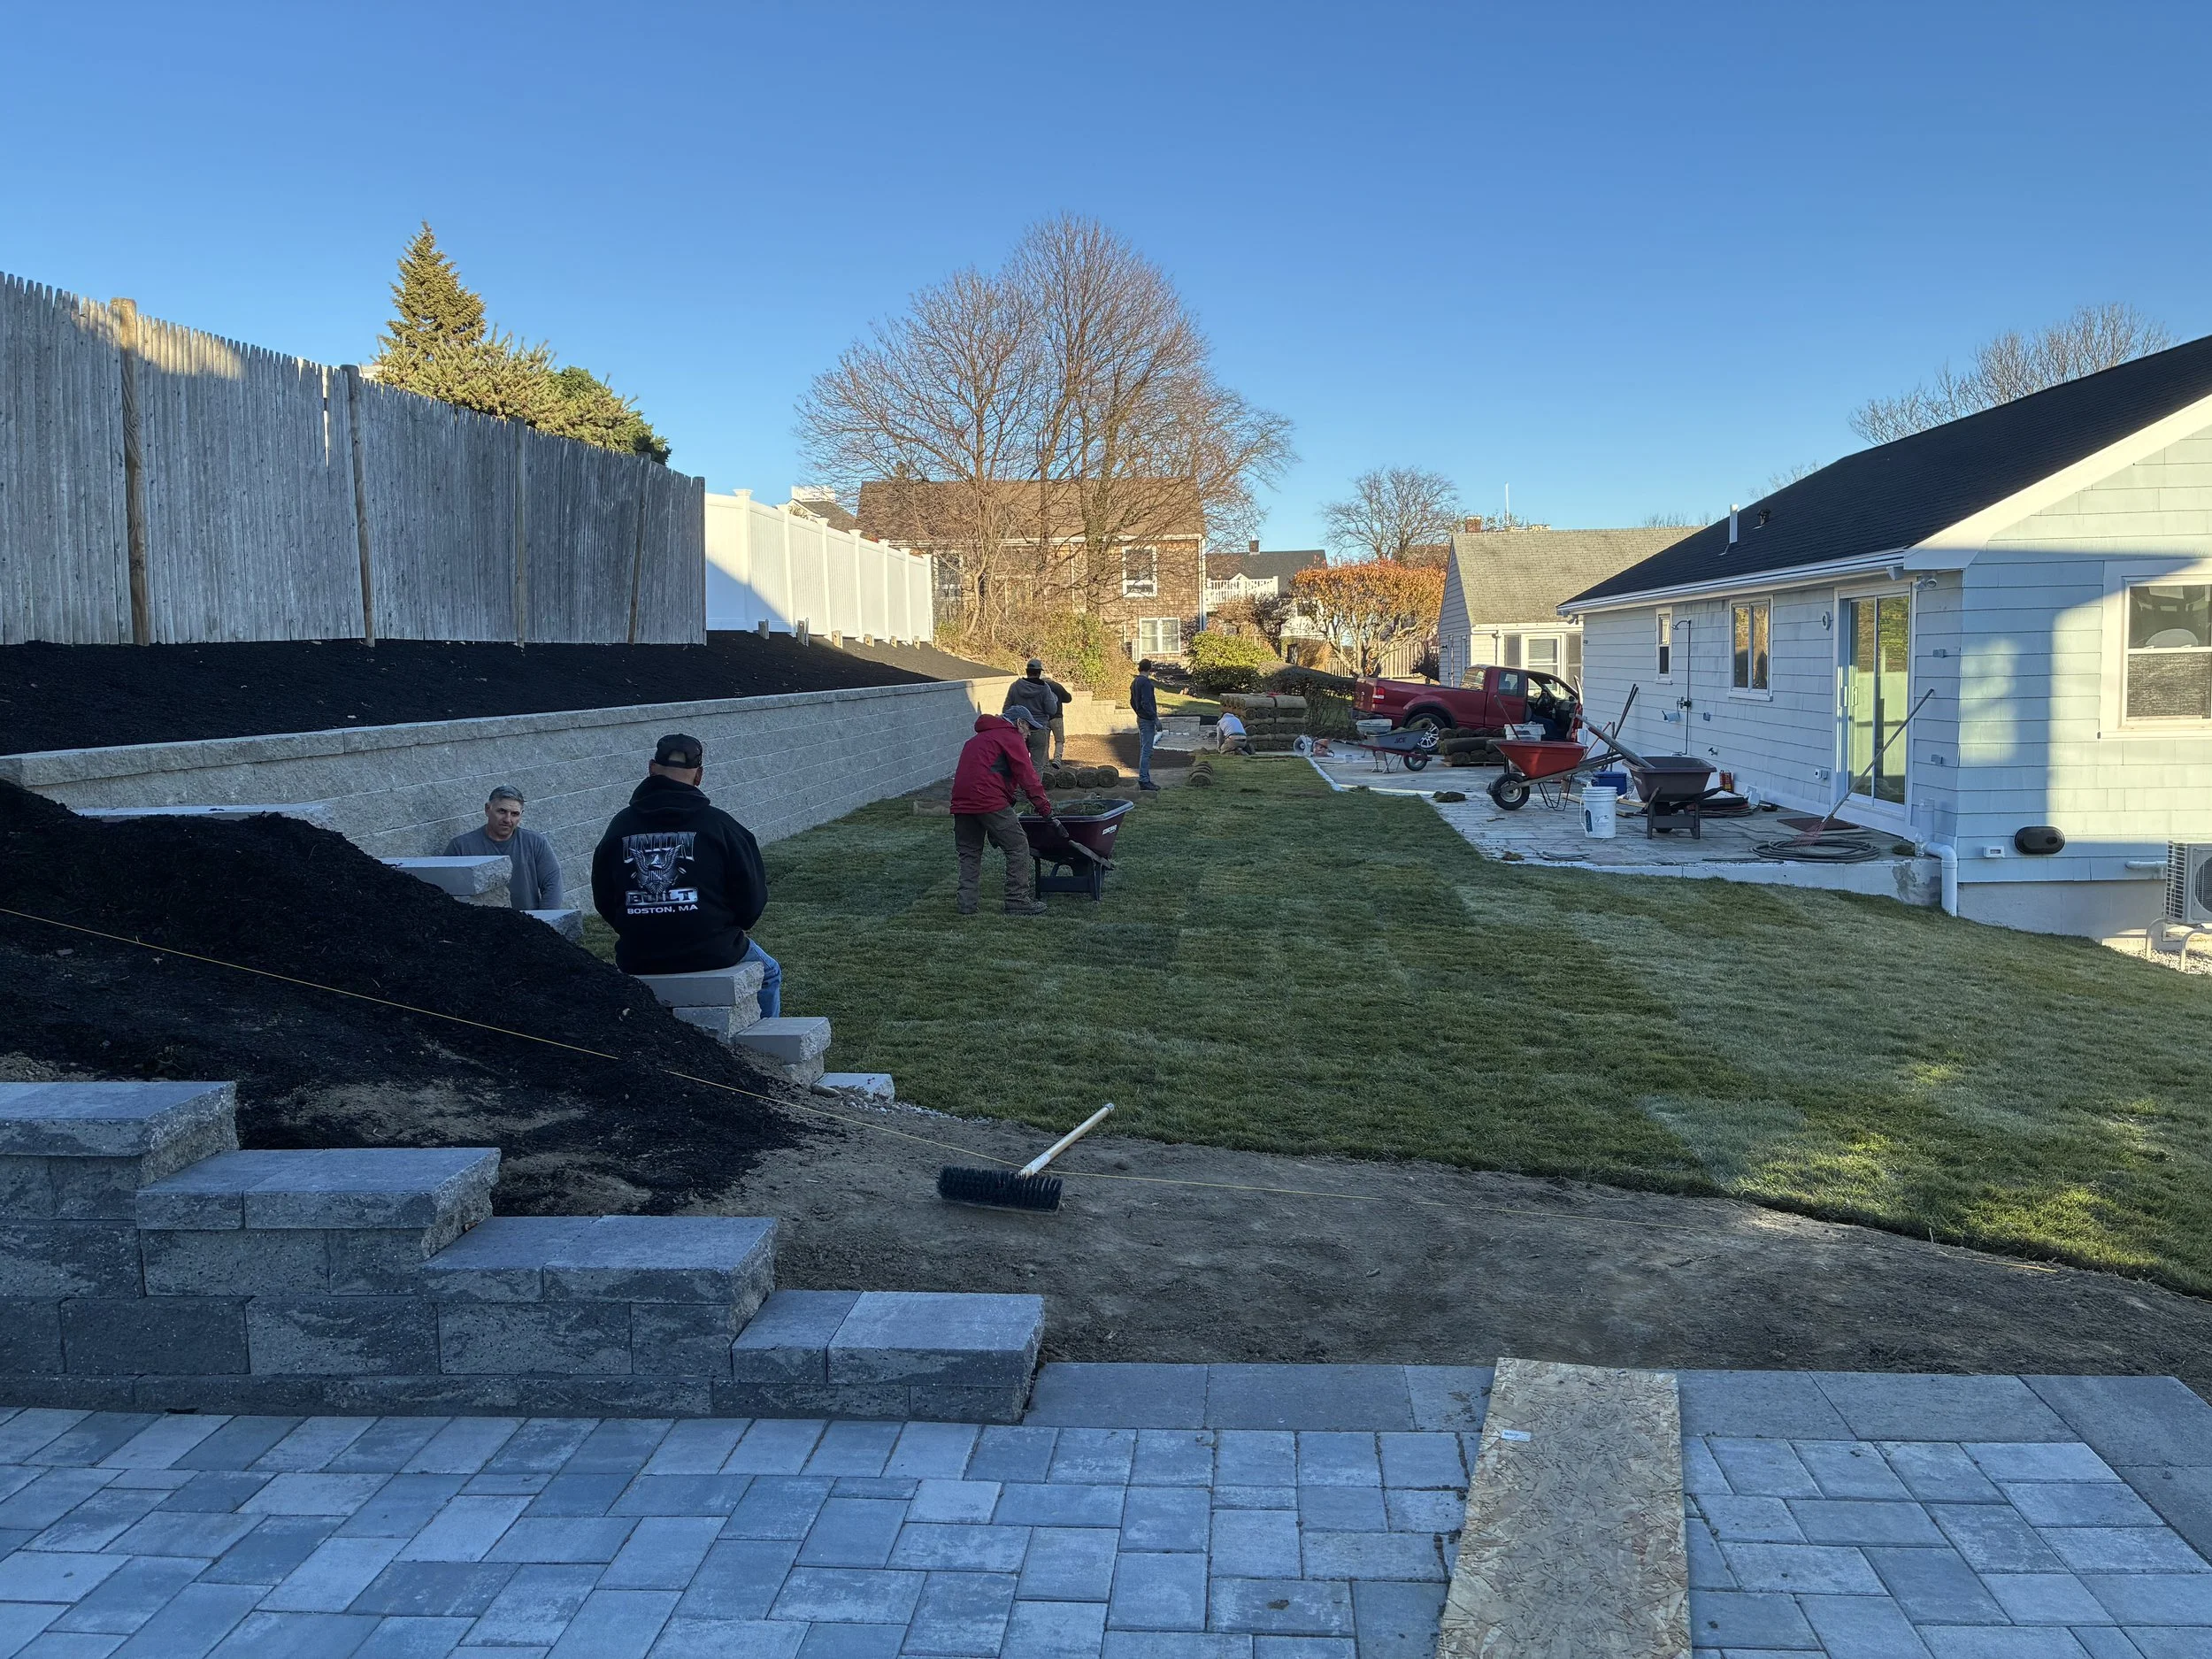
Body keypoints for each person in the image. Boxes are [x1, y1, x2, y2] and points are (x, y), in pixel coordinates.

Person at [589, 733, 781, 1016]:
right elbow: (751, 899)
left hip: (638, 955)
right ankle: (766, 1058)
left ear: (652, 768)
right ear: (699, 775)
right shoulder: (720, 825)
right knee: (770, 975)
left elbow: (604, 898)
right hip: (714, 952)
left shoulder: (619, 827)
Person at [951, 709, 1054, 917]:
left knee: (969, 852)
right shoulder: (1010, 737)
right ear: (1018, 723)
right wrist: (1044, 808)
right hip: (988, 800)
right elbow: (1028, 776)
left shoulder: (975, 741)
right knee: (1018, 846)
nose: (1029, 734)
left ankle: (966, 905)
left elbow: (988, 773)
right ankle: (1017, 900)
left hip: (961, 801)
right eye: (1028, 728)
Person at [443, 786, 563, 910]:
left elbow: (553, 885)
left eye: (515, 814)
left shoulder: (536, 843)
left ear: (521, 815)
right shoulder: (461, 846)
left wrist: (545, 922)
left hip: (528, 924)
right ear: (487, 809)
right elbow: (444, 891)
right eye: (502, 811)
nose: (508, 819)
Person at [1002, 659, 1058, 776]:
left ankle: (1017, 791)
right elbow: (1052, 710)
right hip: (1039, 729)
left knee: (1017, 762)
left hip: (1019, 730)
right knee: (1037, 765)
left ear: (1027, 672)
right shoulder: (1044, 688)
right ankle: (1034, 792)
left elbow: (1006, 711)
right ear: (1039, 672)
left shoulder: (1015, 686)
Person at [1129, 659, 1162, 792]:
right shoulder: (1146, 683)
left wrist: (1138, 712)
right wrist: (1155, 718)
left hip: (1140, 718)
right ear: (1150, 669)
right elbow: (1146, 702)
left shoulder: (1135, 682)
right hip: (1147, 719)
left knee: (1144, 749)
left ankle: (1144, 778)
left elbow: (1132, 701)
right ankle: (1144, 780)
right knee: (1147, 751)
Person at [1044, 673, 1075, 765]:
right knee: (1059, 740)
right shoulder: (1057, 686)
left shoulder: (1040, 688)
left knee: (1045, 742)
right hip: (1057, 717)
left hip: (1044, 718)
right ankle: (1057, 760)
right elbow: (1068, 698)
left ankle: (1045, 762)